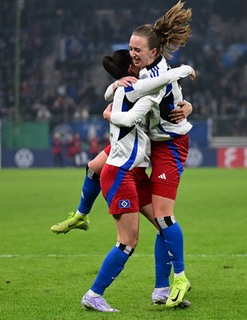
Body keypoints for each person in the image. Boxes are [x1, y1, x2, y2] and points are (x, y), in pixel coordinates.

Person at [53, 1, 195, 308]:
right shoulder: (143, 76)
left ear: (153, 52)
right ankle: (81, 215)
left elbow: (153, 94)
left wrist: (113, 109)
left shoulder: (155, 76)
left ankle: (166, 284)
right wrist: (117, 88)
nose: (132, 54)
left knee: (162, 220)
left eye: (137, 49)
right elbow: (122, 95)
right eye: (129, 48)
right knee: (95, 167)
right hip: (138, 148)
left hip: (166, 144)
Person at [81, 50, 196, 312]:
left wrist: (187, 106)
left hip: (133, 172)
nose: (137, 60)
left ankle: (161, 289)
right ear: (130, 73)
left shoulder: (125, 89)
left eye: (138, 52)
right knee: (128, 242)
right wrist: (182, 70)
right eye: (132, 58)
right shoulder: (136, 90)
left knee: (162, 226)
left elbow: (154, 91)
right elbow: (136, 109)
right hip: (121, 173)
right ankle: (94, 293)